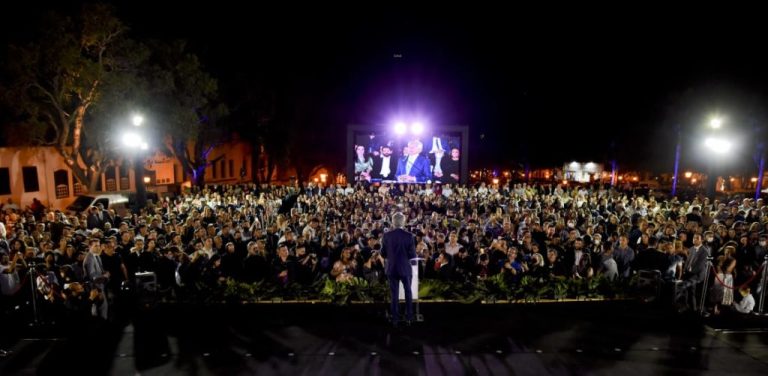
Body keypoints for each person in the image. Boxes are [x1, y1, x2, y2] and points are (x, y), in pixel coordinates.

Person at [381, 212, 417, 327]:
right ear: (403, 222)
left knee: (394, 294)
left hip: (392, 268)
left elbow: (383, 253)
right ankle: (409, 318)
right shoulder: (409, 236)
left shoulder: (386, 236)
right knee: (408, 292)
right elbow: (412, 255)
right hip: (405, 268)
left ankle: (395, 319)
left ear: (393, 222)